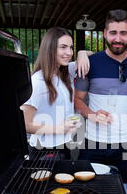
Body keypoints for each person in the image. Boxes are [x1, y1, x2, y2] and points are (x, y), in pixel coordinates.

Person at [74, 9, 127, 183]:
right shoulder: (90, 63)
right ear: (104, 34)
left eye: (123, 33)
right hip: (93, 142)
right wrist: (92, 114)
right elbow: (77, 99)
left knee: (122, 191)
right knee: (88, 191)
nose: (118, 39)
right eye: (113, 33)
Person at [21, 27, 91, 158]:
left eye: (71, 47)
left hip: (65, 145)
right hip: (44, 150)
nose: (69, 52)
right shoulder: (38, 81)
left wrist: (81, 53)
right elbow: (24, 124)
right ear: (50, 48)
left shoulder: (66, 72)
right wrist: (59, 129)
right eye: (63, 47)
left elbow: (91, 54)